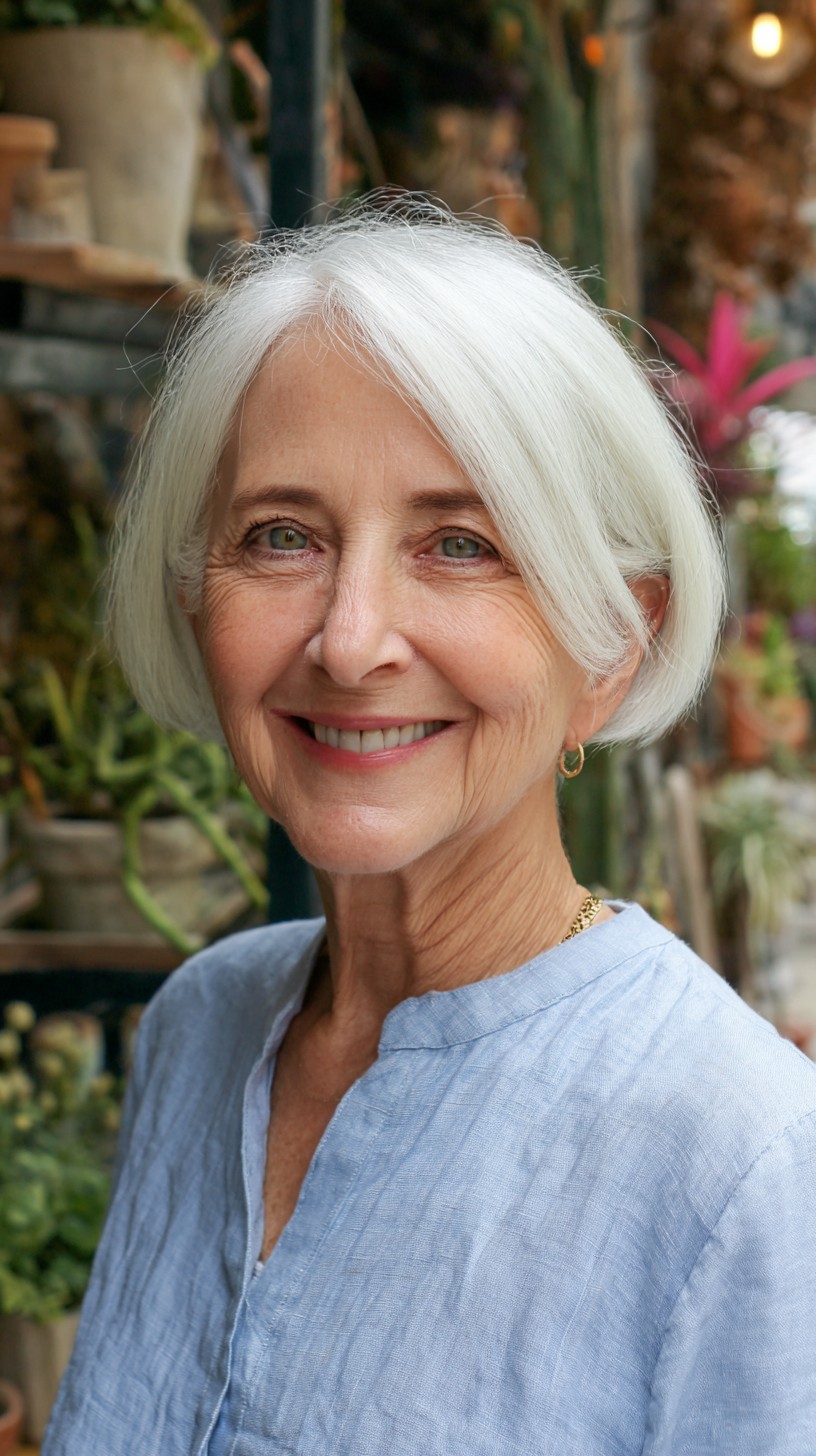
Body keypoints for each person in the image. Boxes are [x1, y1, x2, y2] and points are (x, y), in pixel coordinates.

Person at [44, 204, 816, 1456]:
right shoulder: (202, 1026)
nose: (351, 641)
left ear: (612, 643)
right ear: (196, 600)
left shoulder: (747, 1164)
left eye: (459, 545)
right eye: (281, 536)